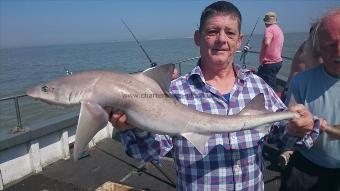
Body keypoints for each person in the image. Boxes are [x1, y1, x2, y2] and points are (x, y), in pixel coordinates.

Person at [109, 1, 320, 190]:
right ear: (197, 38)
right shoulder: (174, 93)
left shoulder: (258, 86)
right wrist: (134, 128)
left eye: (230, 33)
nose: (221, 39)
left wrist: (299, 128)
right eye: (212, 32)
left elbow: (281, 136)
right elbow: (148, 152)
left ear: (239, 41)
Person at [280, 9, 340, 191]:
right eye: (331, 44)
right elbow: (285, 133)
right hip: (306, 168)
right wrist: (296, 128)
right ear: (319, 47)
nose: (338, 51)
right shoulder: (301, 81)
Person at [257, 11, 284, 92]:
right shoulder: (279, 29)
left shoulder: (269, 29)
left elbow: (267, 43)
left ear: (266, 21)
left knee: (263, 83)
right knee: (271, 81)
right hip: (278, 62)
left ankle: (271, 101)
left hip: (269, 63)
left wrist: (263, 58)